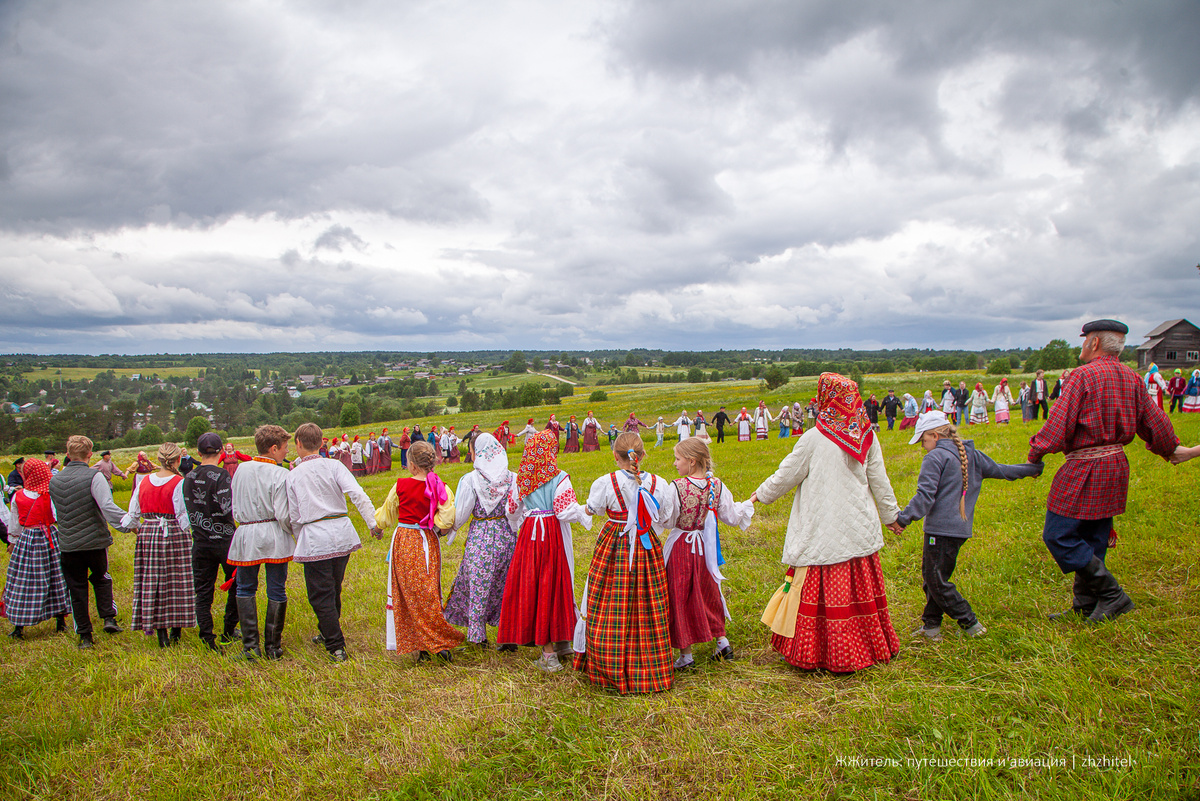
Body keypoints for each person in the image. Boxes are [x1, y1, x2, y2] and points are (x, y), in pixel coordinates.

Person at [1029, 320, 1190, 624]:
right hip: (1115, 465)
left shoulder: (1082, 376)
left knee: (1058, 534)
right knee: (1093, 536)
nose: (1082, 346)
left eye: (1084, 341)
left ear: (1093, 343)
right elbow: (1155, 422)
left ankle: (1112, 594)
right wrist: (1169, 448)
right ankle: (1086, 604)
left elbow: (1057, 426)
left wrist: (1036, 452)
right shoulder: (1132, 377)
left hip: (1085, 466)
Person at [752, 373, 902, 673]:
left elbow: (786, 475)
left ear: (826, 399)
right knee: (858, 591)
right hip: (858, 527)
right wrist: (891, 517)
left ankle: (821, 652)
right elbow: (880, 483)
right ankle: (866, 647)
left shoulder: (813, 438)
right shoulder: (867, 435)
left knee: (818, 590)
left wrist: (761, 494)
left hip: (822, 529)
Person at [897, 412, 1042, 641]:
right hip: (959, 531)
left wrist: (902, 519)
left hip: (939, 531)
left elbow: (925, 496)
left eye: (923, 441)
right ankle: (931, 626)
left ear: (934, 435)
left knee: (935, 579)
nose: (923, 447)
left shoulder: (935, 458)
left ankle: (970, 622)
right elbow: (1003, 470)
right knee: (936, 578)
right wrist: (1032, 469)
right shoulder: (970, 454)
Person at [576, 432, 675, 693]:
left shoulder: (606, 482)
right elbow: (665, 517)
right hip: (647, 544)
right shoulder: (658, 482)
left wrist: (576, 509)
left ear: (615, 456)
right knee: (647, 601)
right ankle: (649, 668)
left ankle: (608, 665)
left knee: (609, 602)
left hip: (614, 542)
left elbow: (593, 508)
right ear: (642, 455)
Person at [497, 429, 591, 671]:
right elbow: (564, 511)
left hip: (530, 536)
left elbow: (511, 510)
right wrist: (585, 512)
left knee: (536, 585)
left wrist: (524, 521)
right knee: (555, 583)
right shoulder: (559, 478)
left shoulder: (522, 479)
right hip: (552, 535)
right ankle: (555, 648)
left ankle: (558, 643)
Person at [289, 423, 379, 663]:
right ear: (321, 443)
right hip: (340, 533)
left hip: (317, 535)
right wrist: (372, 523)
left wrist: (299, 539)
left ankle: (335, 645)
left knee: (321, 592)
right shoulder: (334, 465)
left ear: (298, 444)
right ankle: (327, 630)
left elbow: (292, 514)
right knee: (333, 586)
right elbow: (357, 493)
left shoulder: (294, 474)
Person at [661, 438, 753, 669]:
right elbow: (731, 516)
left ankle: (686, 655)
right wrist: (748, 503)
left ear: (691, 462)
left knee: (680, 594)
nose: (674, 463)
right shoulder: (716, 485)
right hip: (705, 548)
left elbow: (669, 520)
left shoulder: (678, 486)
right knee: (708, 591)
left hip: (682, 546)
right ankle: (722, 642)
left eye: (678, 459)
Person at [374, 440, 462, 663]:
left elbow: (387, 512)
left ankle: (426, 643)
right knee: (428, 589)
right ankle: (430, 642)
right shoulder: (440, 486)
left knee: (408, 592)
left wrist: (377, 527)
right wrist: (437, 529)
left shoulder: (401, 485)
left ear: (412, 465)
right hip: (426, 542)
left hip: (405, 541)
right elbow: (447, 517)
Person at [444, 433, 521, 648]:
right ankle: (509, 637)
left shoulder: (471, 479)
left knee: (479, 584)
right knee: (506, 584)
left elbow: (461, 514)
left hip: (480, 537)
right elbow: (518, 510)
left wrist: (447, 530)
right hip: (507, 535)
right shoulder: (513, 478)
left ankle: (478, 636)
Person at [47, 439, 126, 649]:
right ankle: (109, 618)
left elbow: (55, 513)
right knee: (101, 578)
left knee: (76, 587)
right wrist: (128, 523)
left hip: (69, 542)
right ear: (90, 454)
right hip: (94, 540)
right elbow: (107, 506)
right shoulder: (94, 476)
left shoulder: (54, 480)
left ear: (68, 453)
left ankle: (84, 635)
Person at [119, 442, 195, 648]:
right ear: (178, 460)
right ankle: (175, 631)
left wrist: (140, 529)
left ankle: (162, 633)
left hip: (150, 533)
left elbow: (132, 516)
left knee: (154, 582)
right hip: (174, 534)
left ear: (159, 460)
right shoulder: (179, 482)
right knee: (177, 580)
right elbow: (183, 516)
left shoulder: (144, 482)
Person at [229, 425, 294, 660]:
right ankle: (272, 647)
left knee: (246, 588)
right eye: (285, 448)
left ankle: (250, 647)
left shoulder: (240, 470)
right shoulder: (280, 473)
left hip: (247, 533)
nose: (287, 452)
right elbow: (283, 512)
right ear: (274, 448)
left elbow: (234, 503)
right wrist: (291, 531)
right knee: (276, 588)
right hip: (274, 531)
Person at [183, 433, 239, 651]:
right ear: (220, 453)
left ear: (198, 453)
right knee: (235, 584)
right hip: (224, 539)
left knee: (203, 591)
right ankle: (228, 630)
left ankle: (207, 636)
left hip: (200, 540)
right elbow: (227, 507)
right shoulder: (222, 475)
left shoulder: (188, 477)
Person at [5, 457, 70, 640]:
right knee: (56, 576)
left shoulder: (18, 496)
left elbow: (14, 523)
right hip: (49, 538)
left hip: (27, 540)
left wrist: (12, 541)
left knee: (24, 580)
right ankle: (60, 620)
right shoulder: (49, 495)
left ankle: (19, 626)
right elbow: (57, 516)